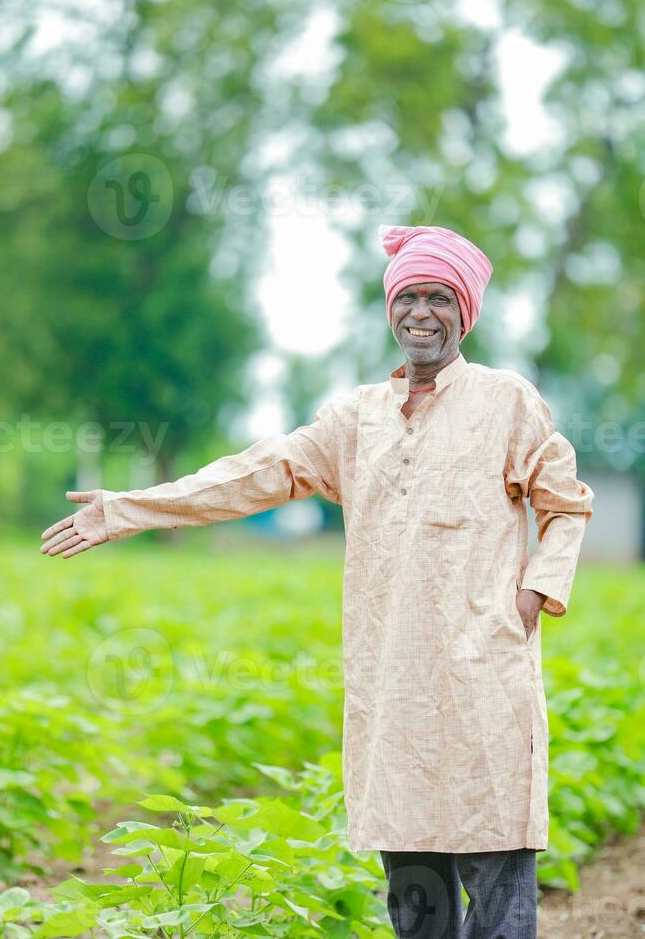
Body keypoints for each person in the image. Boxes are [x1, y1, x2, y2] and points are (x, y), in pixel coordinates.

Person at [41, 223, 594, 938]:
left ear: (465, 312)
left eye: (439, 298)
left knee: (498, 881)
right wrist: (131, 509)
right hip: (394, 689)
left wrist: (528, 597)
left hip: (484, 679)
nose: (421, 312)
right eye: (407, 298)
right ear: (390, 309)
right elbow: (255, 471)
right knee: (417, 898)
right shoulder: (355, 419)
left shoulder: (506, 402)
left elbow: (566, 503)